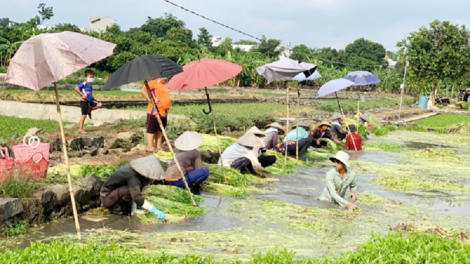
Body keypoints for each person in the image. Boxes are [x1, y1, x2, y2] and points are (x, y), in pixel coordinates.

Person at [100, 155, 165, 219]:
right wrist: (155, 210)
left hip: (115, 192)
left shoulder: (133, 170)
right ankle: (117, 208)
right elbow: (137, 197)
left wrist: (134, 209)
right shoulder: (133, 177)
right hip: (106, 198)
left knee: (134, 190)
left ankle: (131, 209)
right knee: (131, 190)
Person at [141, 77, 171, 152]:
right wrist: (150, 99)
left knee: (160, 129)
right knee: (151, 129)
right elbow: (143, 91)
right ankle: (149, 147)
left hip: (163, 111)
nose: (165, 78)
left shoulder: (164, 85)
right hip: (154, 110)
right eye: (164, 77)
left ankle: (158, 146)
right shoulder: (153, 82)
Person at [75, 69, 102, 134]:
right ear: (86, 77)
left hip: (90, 100)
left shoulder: (90, 85)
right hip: (84, 101)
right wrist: (82, 95)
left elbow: (90, 93)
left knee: (100, 104)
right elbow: (76, 88)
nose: (91, 79)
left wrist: (94, 99)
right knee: (84, 115)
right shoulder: (84, 83)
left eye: (92, 77)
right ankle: (80, 129)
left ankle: (89, 110)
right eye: (90, 77)